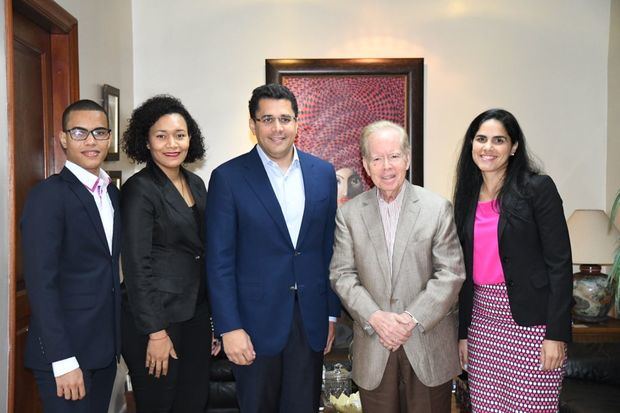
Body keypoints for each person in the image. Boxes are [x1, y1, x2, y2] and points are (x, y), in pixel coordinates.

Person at [205, 83, 341, 413]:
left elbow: (330, 249)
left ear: (297, 122)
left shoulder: (323, 173)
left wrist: (331, 312)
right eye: (267, 119)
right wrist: (229, 328)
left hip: (309, 321)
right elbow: (218, 260)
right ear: (253, 125)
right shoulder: (228, 177)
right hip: (252, 325)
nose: (277, 128)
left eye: (285, 118)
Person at [330, 120, 465, 413]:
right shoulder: (349, 215)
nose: (386, 166)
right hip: (374, 345)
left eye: (393, 156)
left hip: (427, 342)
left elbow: (451, 273)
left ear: (407, 158)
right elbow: (342, 275)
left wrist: (410, 318)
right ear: (365, 164)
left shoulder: (436, 208)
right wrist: (375, 317)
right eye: (377, 158)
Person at [453, 109, 572, 412]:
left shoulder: (538, 188)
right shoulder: (466, 196)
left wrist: (556, 334)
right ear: (471, 144)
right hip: (482, 323)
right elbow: (463, 273)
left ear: (514, 147)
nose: (488, 148)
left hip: (533, 326)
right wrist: (463, 333)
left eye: (499, 140)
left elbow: (559, 264)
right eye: (481, 139)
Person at [120, 95, 220, 412]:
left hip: (195, 315)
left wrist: (213, 322)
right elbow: (137, 266)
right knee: (160, 403)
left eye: (179, 134)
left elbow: (203, 252)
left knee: (194, 401)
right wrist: (156, 332)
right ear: (146, 142)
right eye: (160, 136)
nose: (171, 144)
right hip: (158, 320)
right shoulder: (139, 189)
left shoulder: (197, 183)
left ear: (191, 137)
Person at [20, 99, 120, 413]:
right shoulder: (48, 196)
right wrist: (62, 361)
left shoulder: (112, 192)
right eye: (80, 132)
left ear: (109, 138)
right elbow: (41, 284)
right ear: (64, 139)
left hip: (103, 351)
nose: (91, 140)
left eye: (99, 132)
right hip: (65, 356)